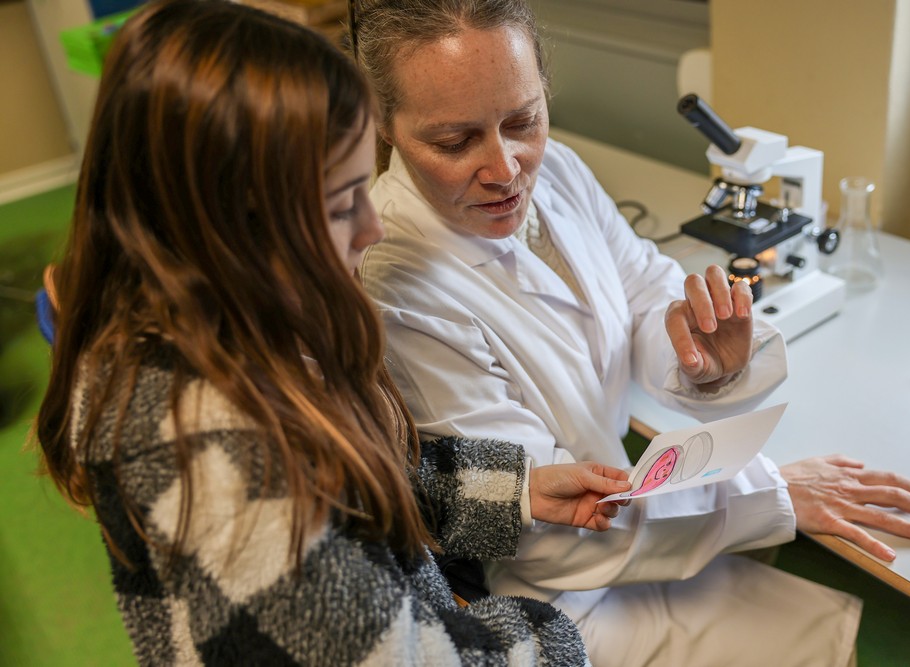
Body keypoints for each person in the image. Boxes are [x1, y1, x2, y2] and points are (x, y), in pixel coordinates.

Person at [31, 1, 637, 664]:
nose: (372, 227)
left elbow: (364, 493)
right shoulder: (221, 456)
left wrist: (518, 489)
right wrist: (549, 633)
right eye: (342, 203)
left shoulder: (230, 332)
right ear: (237, 227)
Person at [352, 1, 910, 664]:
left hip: (638, 520)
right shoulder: (398, 283)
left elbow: (640, 285)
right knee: (855, 636)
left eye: (523, 120)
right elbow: (545, 524)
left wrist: (693, 352)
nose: (506, 169)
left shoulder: (560, 173)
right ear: (382, 122)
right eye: (454, 141)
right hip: (566, 595)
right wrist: (772, 492)